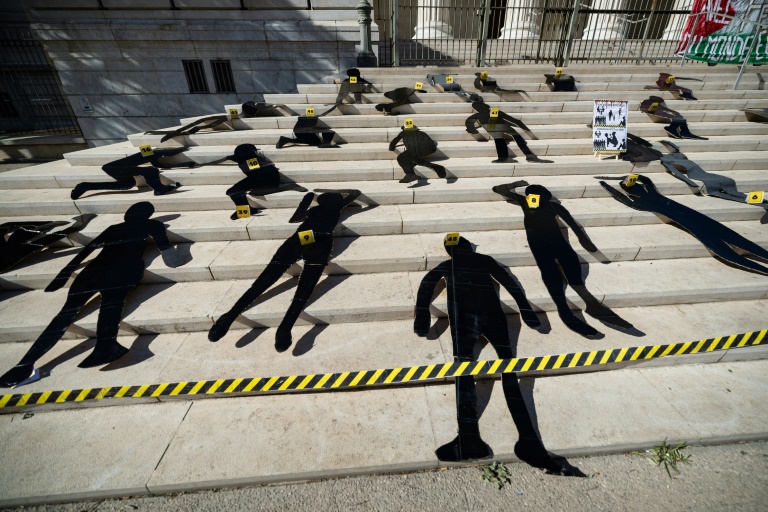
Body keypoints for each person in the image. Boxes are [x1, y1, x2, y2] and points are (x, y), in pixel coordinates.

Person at [414, 235, 579, 475]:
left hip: (465, 321)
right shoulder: (481, 260)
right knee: (505, 373)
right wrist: (526, 311)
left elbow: (426, 285)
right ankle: (524, 438)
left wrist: (422, 318)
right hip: (490, 318)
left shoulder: (451, 265)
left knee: (465, 373)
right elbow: (510, 283)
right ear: (464, 247)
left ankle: (472, 439)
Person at [0, 202, 188, 387]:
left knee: (65, 315)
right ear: (148, 214)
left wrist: (64, 274)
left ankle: (25, 363)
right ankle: (107, 346)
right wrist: (175, 258)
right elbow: (165, 247)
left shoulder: (114, 227)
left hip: (93, 271)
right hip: (124, 269)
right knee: (111, 307)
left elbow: (86, 251)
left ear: (128, 214)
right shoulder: (153, 225)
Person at [208, 189, 367, 351]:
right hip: (322, 240)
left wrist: (308, 197)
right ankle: (285, 327)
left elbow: (294, 219)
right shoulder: (337, 207)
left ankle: (229, 317)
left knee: (264, 280)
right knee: (304, 288)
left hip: (303, 236)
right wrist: (335, 194)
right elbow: (355, 193)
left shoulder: (314, 209)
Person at [493, 182, 633, 337]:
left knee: (573, 277)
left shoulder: (550, 206)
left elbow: (572, 224)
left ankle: (593, 306)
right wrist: (520, 184)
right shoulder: (527, 202)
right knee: (551, 273)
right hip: (542, 247)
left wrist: (586, 242)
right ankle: (564, 311)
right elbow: (498, 189)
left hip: (557, 245)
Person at [598, 174, 768, 276]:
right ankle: (761, 265)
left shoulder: (645, 198)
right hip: (688, 216)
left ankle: (761, 262)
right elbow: (641, 183)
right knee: (723, 238)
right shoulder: (646, 198)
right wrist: (607, 184)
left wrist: (610, 183)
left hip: (689, 216)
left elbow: (636, 186)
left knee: (724, 239)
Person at [658, 140, 768, 223]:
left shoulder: (667, 158)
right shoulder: (674, 157)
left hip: (709, 181)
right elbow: (676, 168)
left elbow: (676, 171)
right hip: (714, 178)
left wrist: (691, 183)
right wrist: (691, 182)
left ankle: (763, 202)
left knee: (732, 194)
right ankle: (763, 202)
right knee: (736, 194)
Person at [213, 144, 308, 220]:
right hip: (267, 177)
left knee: (232, 191)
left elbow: (255, 172)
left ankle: (246, 210)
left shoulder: (250, 160)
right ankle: (247, 209)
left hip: (264, 179)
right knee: (238, 189)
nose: (256, 152)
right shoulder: (255, 158)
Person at [70, 147, 194, 199]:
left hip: (115, 169)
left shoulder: (149, 154)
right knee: (151, 171)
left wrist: (183, 164)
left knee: (128, 184)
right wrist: (180, 150)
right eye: (165, 154)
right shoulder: (149, 152)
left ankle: (84, 186)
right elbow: (162, 157)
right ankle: (159, 189)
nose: (165, 155)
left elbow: (160, 165)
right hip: (112, 168)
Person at [465, 97, 552, 163]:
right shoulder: (494, 111)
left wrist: (473, 130)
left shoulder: (476, 116)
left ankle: (502, 157)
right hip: (502, 127)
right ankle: (529, 155)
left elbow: (469, 122)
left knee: (499, 139)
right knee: (516, 136)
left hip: (491, 129)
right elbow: (514, 120)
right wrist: (525, 128)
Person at [0, 214, 95, 273]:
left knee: (18, 236)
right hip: (5, 260)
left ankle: (45, 226)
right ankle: (74, 227)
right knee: (28, 242)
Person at [639, 96, 707, 140]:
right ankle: (675, 129)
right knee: (677, 117)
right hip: (651, 110)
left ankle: (684, 132)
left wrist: (674, 112)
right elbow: (657, 109)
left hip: (653, 110)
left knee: (680, 117)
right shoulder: (650, 103)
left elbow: (662, 108)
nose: (661, 103)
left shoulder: (654, 103)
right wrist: (673, 113)